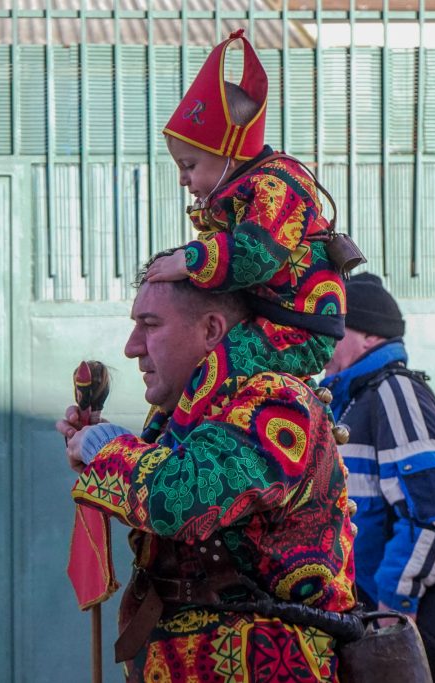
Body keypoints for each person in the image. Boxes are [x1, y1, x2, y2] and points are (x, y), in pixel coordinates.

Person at [56, 250, 357, 682]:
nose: (131, 347)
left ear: (212, 329)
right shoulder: (181, 415)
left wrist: (105, 450)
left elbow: (179, 499)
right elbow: (149, 484)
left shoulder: (275, 401)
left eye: (150, 325)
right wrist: (98, 451)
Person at [145, 28, 349, 379]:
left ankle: (178, 437)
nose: (182, 179)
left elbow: (255, 257)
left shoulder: (275, 188)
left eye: (190, 166)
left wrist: (189, 261)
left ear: (232, 155)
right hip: (270, 319)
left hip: (298, 333)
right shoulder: (241, 194)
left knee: (214, 370)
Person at [319, 273, 435, 625]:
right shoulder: (350, 398)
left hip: (382, 617)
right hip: (354, 614)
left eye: (335, 330)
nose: (322, 342)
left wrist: (395, 606)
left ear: (370, 336)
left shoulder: (395, 391)